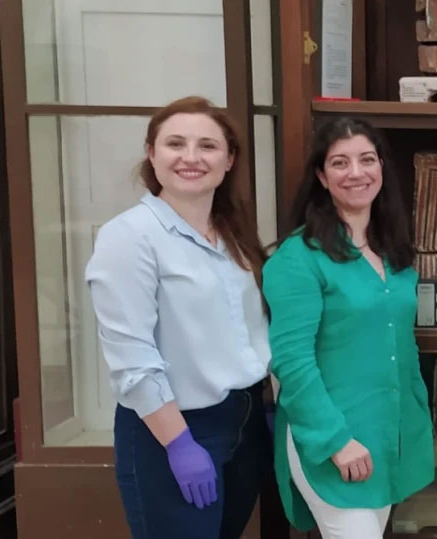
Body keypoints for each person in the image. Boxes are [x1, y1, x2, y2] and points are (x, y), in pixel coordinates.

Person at [85, 96, 273, 538]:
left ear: (228, 161)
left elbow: (252, 327)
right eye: (175, 143)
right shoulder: (129, 237)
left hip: (244, 421)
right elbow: (130, 354)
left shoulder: (234, 234)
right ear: (152, 154)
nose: (191, 157)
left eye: (207, 146)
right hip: (175, 429)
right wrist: (178, 443)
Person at [260, 117, 435, 538]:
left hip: (388, 435)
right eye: (340, 162)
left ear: (381, 169)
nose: (356, 173)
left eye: (366, 159)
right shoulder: (298, 259)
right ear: (321, 176)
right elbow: (291, 360)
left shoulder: (393, 253)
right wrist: (336, 440)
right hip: (332, 438)